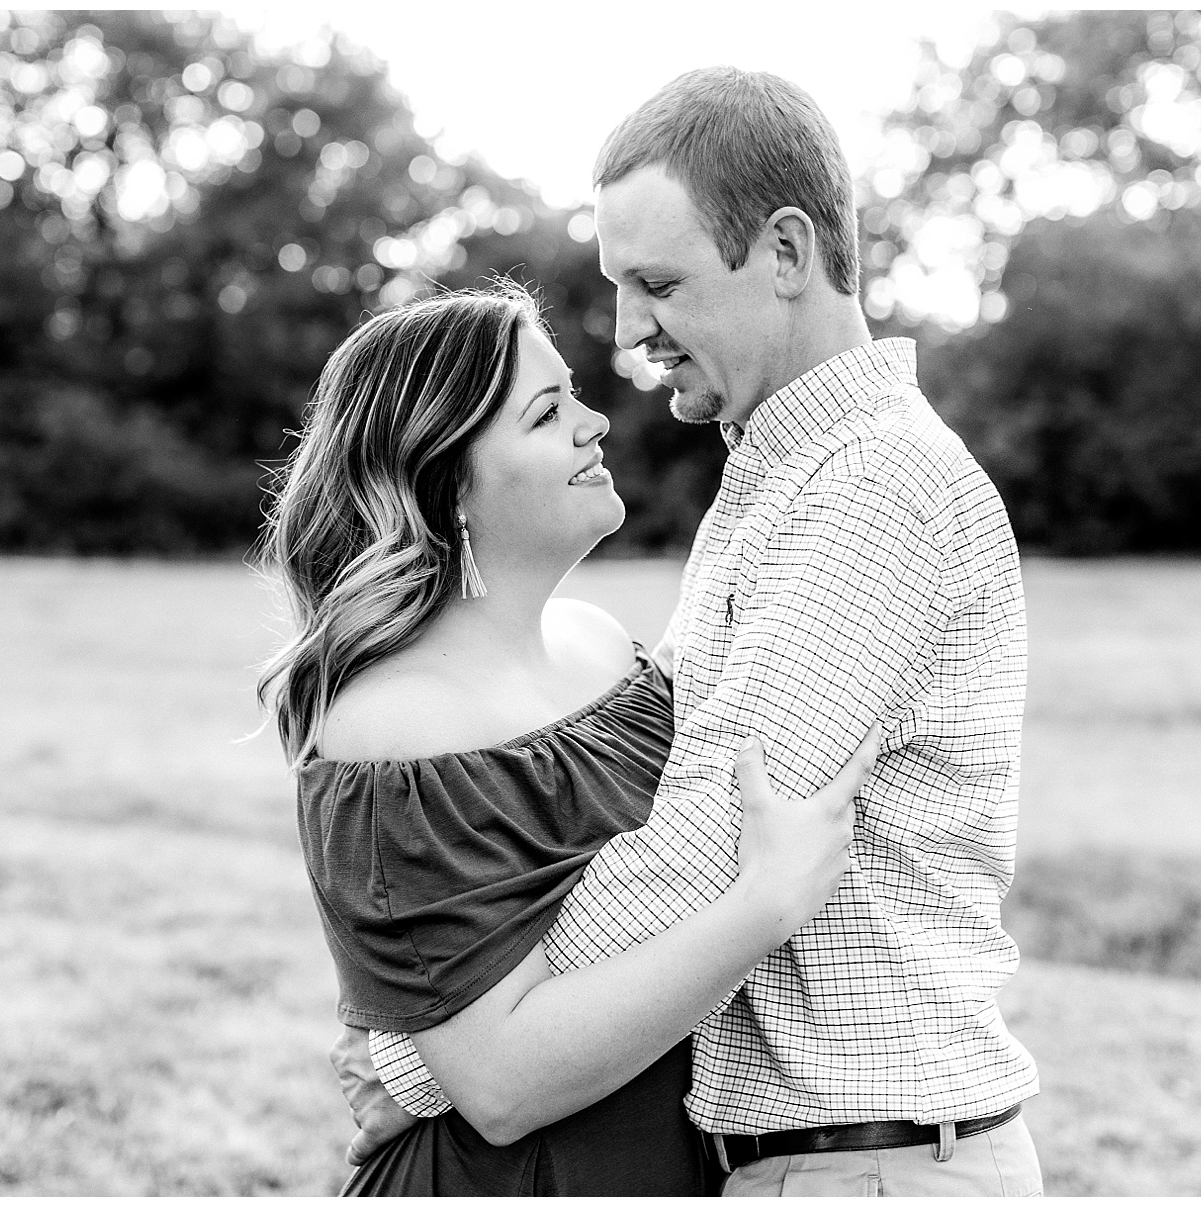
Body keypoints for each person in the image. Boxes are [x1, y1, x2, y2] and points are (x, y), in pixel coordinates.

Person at [339, 67, 1045, 1196]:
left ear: (784, 251)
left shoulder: (875, 488)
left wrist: (429, 1051)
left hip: (872, 1169)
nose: (628, 335)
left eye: (657, 282)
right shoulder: (780, 472)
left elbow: (710, 839)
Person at [258, 282, 882, 1195]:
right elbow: (502, 1086)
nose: (597, 422)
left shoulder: (602, 643)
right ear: (447, 481)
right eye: (549, 412)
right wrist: (767, 904)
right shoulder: (390, 728)